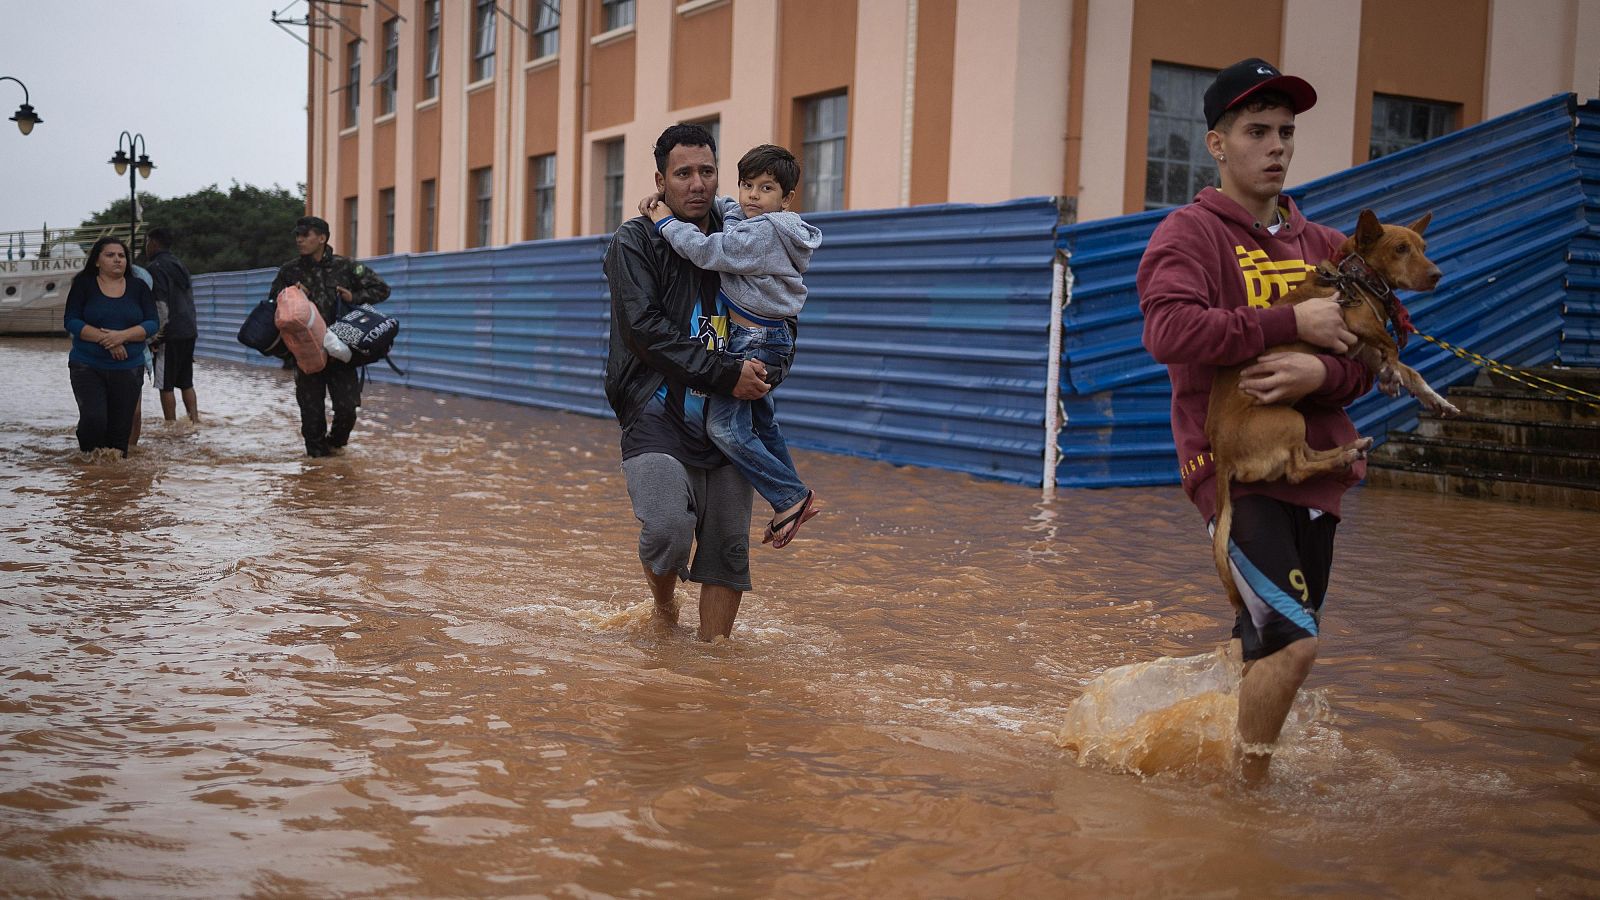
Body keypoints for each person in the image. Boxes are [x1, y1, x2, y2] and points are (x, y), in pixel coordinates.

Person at [1136, 58, 1370, 784]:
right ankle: (1246, 805)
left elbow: (1376, 357)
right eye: (1257, 131)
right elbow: (1169, 333)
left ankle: (1173, 749)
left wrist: (1321, 371)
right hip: (1234, 475)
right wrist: (1287, 321)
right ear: (1216, 143)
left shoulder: (1331, 247)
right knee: (1296, 646)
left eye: (1286, 133)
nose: (1276, 147)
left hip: (1318, 476)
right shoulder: (1189, 234)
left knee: (1264, 644)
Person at [603, 123, 774, 641]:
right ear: (661, 180)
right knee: (667, 530)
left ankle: (714, 662)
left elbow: (782, 312)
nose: (697, 183)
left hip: (732, 417)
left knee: (727, 551)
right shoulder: (635, 242)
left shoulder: (743, 234)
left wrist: (768, 373)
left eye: (707, 171)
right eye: (683, 173)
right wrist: (727, 371)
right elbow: (644, 331)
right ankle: (664, 604)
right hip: (657, 412)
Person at [640, 144, 824, 547]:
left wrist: (664, 220)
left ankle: (789, 498)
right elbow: (732, 209)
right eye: (747, 185)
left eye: (766, 188)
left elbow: (707, 251)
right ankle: (794, 496)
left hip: (757, 340)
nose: (753, 196)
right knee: (763, 423)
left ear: (786, 198)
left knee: (723, 426)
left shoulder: (764, 234)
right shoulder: (757, 218)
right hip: (764, 336)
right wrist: (712, 198)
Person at [267, 215, 390, 457]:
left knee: (346, 410)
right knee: (311, 415)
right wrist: (291, 293)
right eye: (297, 235)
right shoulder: (290, 270)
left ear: (322, 238)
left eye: (305, 235)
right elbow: (273, 301)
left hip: (341, 350)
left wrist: (353, 298)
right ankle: (317, 471)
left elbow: (382, 289)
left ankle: (335, 447)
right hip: (306, 354)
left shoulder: (346, 266)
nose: (299, 240)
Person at [62, 236, 158, 457]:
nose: (117, 260)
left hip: (129, 367)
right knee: (94, 419)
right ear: (97, 261)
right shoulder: (83, 285)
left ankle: (114, 486)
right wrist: (106, 340)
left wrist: (122, 336)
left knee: (119, 435)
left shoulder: (139, 287)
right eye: (110, 255)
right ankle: (87, 475)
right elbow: (72, 321)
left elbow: (152, 323)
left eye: (122, 256)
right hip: (87, 365)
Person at [144, 226, 200, 424]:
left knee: (165, 384)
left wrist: (154, 336)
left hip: (169, 334)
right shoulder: (179, 265)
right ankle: (195, 421)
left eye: (147, 242)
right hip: (189, 331)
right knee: (186, 382)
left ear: (154, 243)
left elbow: (161, 304)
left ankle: (171, 427)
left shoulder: (155, 268)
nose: (146, 247)